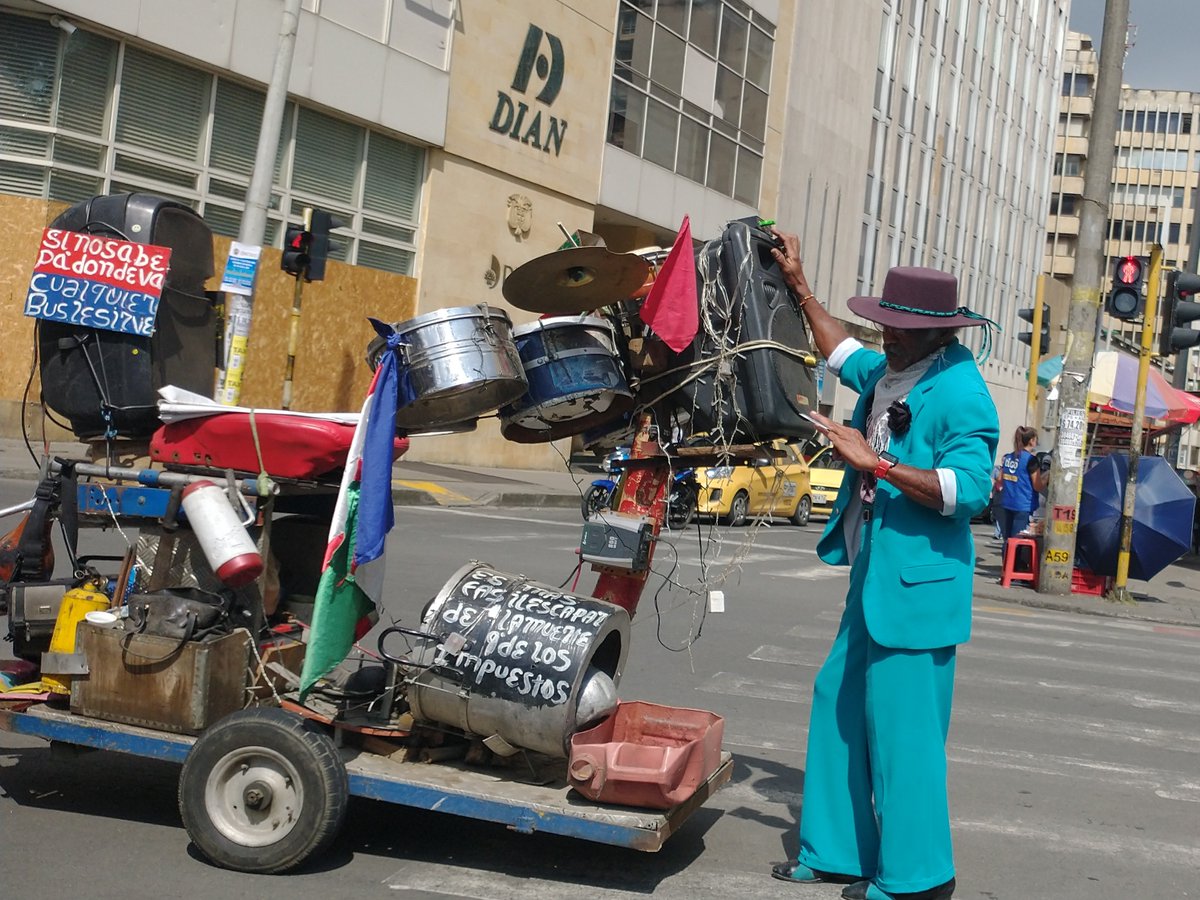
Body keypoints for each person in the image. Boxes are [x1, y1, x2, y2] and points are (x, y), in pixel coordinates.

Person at [766, 229, 999, 900]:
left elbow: (970, 491)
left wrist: (880, 464)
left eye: (897, 328)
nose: (884, 334)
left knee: (905, 735)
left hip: (919, 585)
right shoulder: (896, 369)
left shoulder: (961, 393)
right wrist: (799, 284)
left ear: (935, 333)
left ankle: (919, 878)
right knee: (836, 699)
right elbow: (839, 351)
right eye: (883, 323)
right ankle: (839, 851)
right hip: (875, 574)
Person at [997, 427, 1047, 546]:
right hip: (1023, 505)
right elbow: (1037, 486)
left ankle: (1006, 563)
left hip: (1007, 502)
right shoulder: (1031, 460)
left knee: (1007, 539)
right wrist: (1047, 477)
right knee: (1017, 540)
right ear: (1031, 440)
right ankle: (1015, 564)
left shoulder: (1009, 457)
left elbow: (1000, 479)